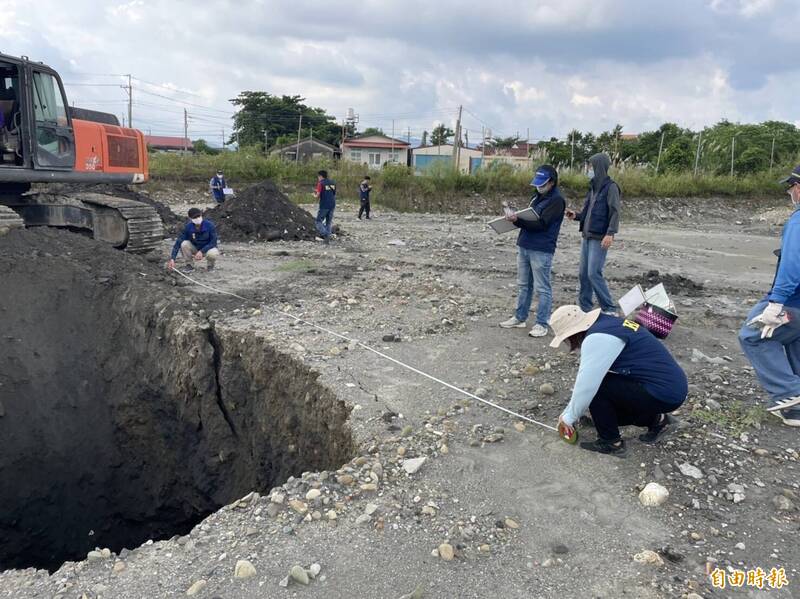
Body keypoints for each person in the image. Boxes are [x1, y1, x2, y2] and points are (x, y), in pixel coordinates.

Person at [550, 305, 688, 457]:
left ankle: (611, 442)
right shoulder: (608, 323)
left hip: (663, 392)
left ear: (573, 333)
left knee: (600, 388)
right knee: (606, 398)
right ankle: (658, 421)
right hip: (671, 386)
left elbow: (587, 385)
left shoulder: (598, 338)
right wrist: (576, 410)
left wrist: (568, 417)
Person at [738, 165, 800, 427]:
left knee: (753, 336)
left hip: (791, 301)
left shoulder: (798, 222)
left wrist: (776, 304)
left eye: (790, 187)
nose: (790, 192)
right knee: (795, 338)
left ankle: (790, 396)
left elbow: (792, 266)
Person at [499, 164, 566, 337]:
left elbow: (542, 224)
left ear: (551, 182)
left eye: (542, 183)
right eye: (537, 183)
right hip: (525, 245)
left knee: (542, 288)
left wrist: (517, 220)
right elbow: (530, 217)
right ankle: (520, 317)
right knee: (523, 285)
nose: (539, 186)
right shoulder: (536, 198)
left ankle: (541, 323)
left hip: (542, 249)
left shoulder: (557, 200)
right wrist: (516, 218)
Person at [565, 152, 620, 315]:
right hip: (587, 237)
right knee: (583, 274)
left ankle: (609, 308)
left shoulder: (611, 188)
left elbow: (615, 212)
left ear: (598, 167)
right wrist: (576, 216)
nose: (588, 169)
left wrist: (610, 233)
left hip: (599, 238)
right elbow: (588, 212)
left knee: (593, 273)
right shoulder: (592, 188)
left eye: (590, 166)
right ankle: (585, 307)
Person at [168, 207, 220, 272]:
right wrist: (172, 259)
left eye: (199, 216)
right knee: (184, 244)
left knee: (213, 253)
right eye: (195, 217)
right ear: (190, 218)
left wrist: (201, 251)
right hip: (195, 248)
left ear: (201, 215)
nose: (197, 219)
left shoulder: (210, 225)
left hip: (207, 249)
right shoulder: (188, 227)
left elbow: (213, 242)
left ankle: (210, 266)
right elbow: (178, 243)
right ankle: (189, 265)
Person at [314, 169, 337, 243]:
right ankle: (329, 234)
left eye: (318, 176)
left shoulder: (320, 183)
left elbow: (317, 196)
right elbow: (334, 193)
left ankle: (325, 234)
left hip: (324, 204)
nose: (318, 178)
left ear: (320, 176)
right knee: (328, 222)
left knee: (318, 221)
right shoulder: (333, 183)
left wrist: (314, 195)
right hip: (332, 204)